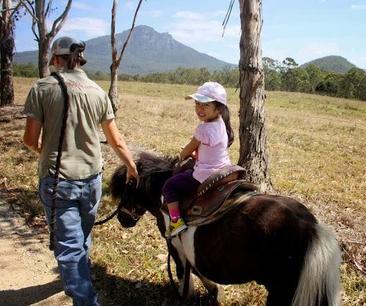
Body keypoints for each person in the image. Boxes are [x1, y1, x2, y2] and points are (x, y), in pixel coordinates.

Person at [22, 36, 139, 306]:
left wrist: (48, 152)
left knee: (70, 249)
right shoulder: (98, 92)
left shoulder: (42, 87)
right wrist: (131, 167)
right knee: (82, 237)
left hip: (57, 180)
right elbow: (116, 140)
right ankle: (79, 279)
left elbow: (29, 139)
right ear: (80, 60)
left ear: (56, 59)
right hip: (92, 180)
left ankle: (86, 298)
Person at [162, 82, 234, 237]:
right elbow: (210, 150)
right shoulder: (221, 123)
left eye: (206, 105)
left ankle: (175, 222)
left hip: (206, 174)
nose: (200, 109)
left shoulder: (203, 128)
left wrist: (182, 156)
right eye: (197, 104)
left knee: (170, 186)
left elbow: (188, 150)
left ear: (219, 108)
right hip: (224, 169)